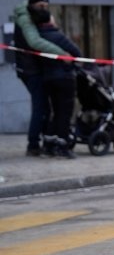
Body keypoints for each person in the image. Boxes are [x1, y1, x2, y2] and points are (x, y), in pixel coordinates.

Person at [12, 0, 70, 157]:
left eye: (46, 6)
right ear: (32, 4)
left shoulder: (34, 15)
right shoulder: (25, 19)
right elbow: (35, 41)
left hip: (35, 68)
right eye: (41, 6)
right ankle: (33, 145)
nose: (44, 9)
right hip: (30, 70)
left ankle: (45, 141)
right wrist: (61, 53)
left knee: (44, 107)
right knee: (41, 107)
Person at [32, 10, 82, 159]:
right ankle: (63, 146)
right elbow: (77, 53)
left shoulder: (37, 38)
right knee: (64, 113)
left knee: (55, 112)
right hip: (64, 78)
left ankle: (49, 145)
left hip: (48, 79)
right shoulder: (57, 36)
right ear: (49, 21)